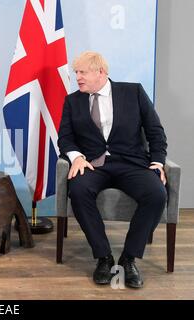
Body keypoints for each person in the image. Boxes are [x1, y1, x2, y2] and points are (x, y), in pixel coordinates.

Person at [57, 51, 168, 289]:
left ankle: (129, 259)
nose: (77, 77)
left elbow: (155, 131)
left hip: (131, 163)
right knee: (78, 190)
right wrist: (75, 157)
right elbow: (65, 138)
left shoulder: (133, 92)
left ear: (101, 73)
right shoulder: (72, 101)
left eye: (82, 72)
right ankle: (103, 257)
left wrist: (158, 161)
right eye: (76, 72)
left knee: (157, 194)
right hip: (93, 165)